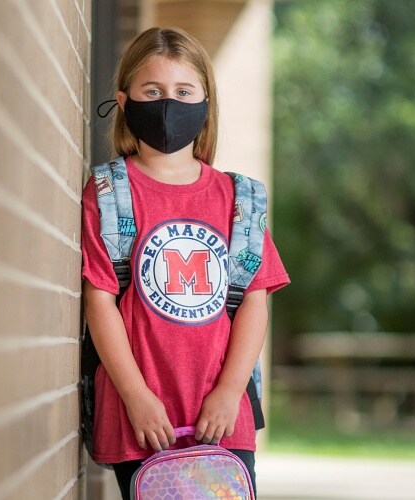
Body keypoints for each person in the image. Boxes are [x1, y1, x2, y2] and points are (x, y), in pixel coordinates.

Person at [81, 26, 289, 499]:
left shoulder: (239, 201)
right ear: (125, 100)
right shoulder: (111, 195)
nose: (168, 104)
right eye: (152, 91)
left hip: (222, 417)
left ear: (205, 103)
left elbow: (255, 302)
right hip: (142, 419)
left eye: (183, 91)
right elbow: (100, 300)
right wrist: (136, 398)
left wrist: (229, 393)